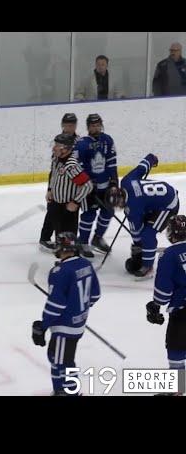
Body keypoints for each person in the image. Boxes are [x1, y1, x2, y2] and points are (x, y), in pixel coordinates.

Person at [31, 232, 101, 396]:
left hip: (65, 326)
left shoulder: (60, 271)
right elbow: (95, 294)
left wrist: (43, 325)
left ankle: (69, 391)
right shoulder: (85, 264)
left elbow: (56, 304)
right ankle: (62, 390)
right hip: (78, 323)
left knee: (62, 361)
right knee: (57, 357)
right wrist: (79, 309)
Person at [105, 154, 180, 279]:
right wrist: (150, 159)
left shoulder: (133, 207)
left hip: (168, 205)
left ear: (120, 198)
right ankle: (146, 257)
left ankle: (148, 267)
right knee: (145, 232)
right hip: (160, 197)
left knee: (148, 234)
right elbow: (141, 168)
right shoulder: (126, 181)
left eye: (118, 204)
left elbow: (137, 234)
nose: (119, 207)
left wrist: (140, 248)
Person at [146, 215, 186, 393]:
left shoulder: (169, 255)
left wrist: (156, 306)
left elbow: (164, 288)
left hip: (182, 311)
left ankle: (178, 387)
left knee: (176, 347)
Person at [74, 114, 118, 258]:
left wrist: (114, 182)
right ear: (88, 127)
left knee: (108, 212)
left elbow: (112, 162)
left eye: (98, 125)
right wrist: (87, 183)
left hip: (105, 187)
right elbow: (77, 166)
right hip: (88, 188)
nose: (96, 128)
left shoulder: (108, 140)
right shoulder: (81, 143)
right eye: (93, 126)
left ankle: (98, 238)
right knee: (89, 215)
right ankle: (83, 242)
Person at [39, 113, 81, 251]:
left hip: (73, 180)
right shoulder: (59, 142)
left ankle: (67, 244)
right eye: (67, 125)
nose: (69, 127)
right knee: (53, 211)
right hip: (60, 183)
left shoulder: (80, 141)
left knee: (67, 218)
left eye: (72, 124)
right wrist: (50, 189)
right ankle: (46, 238)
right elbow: (54, 168)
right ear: (62, 125)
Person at [46, 132, 93, 239]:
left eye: (57, 145)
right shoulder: (56, 158)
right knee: (59, 236)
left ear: (65, 149)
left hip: (67, 209)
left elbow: (87, 186)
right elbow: (53, 174)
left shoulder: (71, 165)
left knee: (68, 240)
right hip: (57, 205)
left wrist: (75, 202)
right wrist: (50, 189)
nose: (54, 148)